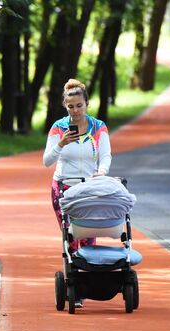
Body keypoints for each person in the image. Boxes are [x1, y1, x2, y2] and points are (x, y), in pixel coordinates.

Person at [43, 79, 112, 253]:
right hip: (63, 187)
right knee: (71, 237)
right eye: (71, 106)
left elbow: (105, 156)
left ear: (87, 104)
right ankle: (73, 275)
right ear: (65, 106)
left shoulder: (98, 127)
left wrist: (102, 171)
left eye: (79, 105)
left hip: (89, 188)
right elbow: (47, 161)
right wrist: (61, 143)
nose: (75, 111)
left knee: (88, 237)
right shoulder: (58, 128)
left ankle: (90, 274)